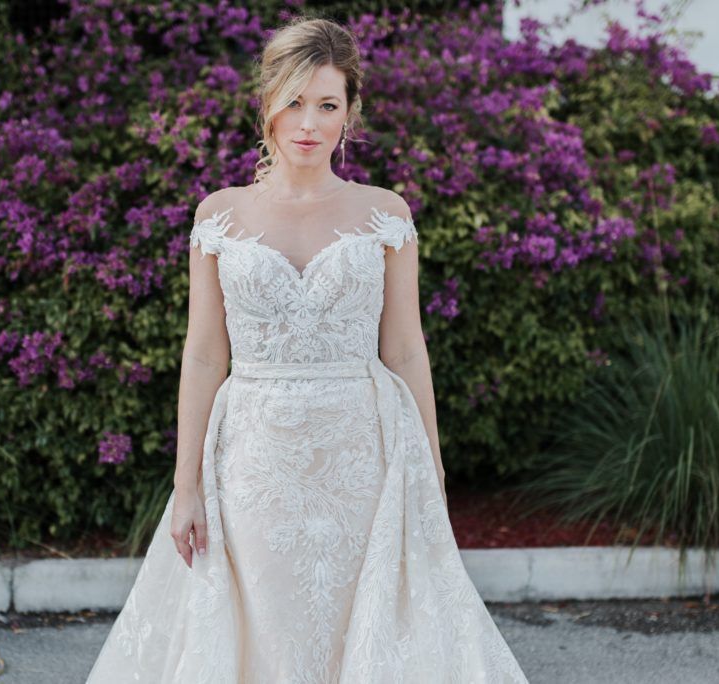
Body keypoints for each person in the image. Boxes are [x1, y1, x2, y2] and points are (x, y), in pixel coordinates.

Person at [86, 15, 529, 683]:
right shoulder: (219, 215)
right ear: (268, 102)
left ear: (350, 111)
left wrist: (431, 469)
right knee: (266, 630)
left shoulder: (385, 214)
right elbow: (204, 355)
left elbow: (406, 350)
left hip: (361, 456)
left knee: (359, 627)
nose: (309, 123)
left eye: (327, 104)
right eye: (294, 101)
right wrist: (186, 486)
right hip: (253, 459)